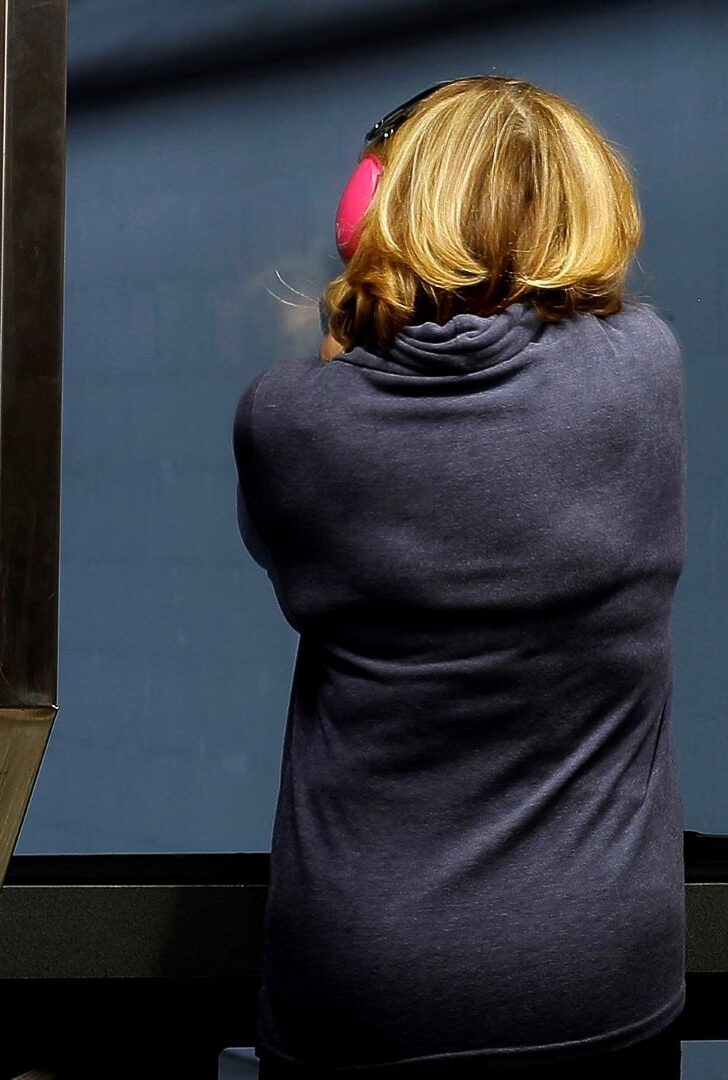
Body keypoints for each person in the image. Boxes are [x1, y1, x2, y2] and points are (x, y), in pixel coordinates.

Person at [232, 77, 687, 1077]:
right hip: (602, 978)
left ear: (374, 216)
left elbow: (289, 547)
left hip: (363, 992)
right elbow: (559, 331)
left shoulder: (287, 419)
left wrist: (359, 304)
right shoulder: (643, 373)